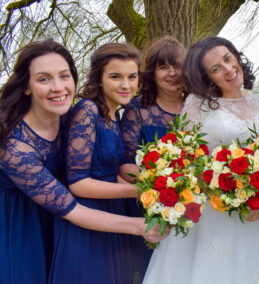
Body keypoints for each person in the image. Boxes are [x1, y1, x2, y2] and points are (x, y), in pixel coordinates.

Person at [0, 39, 167, 284]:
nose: (58, 87)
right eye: (44, 79)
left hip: (61, 212)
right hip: (23, 222)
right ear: (26, 86)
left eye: (64, 76)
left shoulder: (67, 113)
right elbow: (74, 203)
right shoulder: (14, 148)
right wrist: (139, 215)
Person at [143, 36, 259, 284]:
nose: (227, 69)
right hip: (210, 214)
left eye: (228, 59)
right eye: (216, 68)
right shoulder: (197, 104)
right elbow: (185, 159)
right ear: (207, 77)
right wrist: (225, 189)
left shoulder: (258, 102)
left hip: (255, 212)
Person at [49, 42, 155, 284]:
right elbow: (77, 182)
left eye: (132, 76)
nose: (126, 85)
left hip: (111, 211)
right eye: (116, 76)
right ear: (99, 78)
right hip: (87, 215)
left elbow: (108, 171)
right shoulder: (87, 110)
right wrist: (138, 191)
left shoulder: (113, 114)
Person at [119, 36, 187, 281]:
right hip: (152, 204)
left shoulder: (198, 105)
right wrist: (163, 184)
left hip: (196, 205)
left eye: (177, 65)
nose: (171, 73)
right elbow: (126, 164)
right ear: (152, 72)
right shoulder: (137, 109)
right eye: (163, 66)